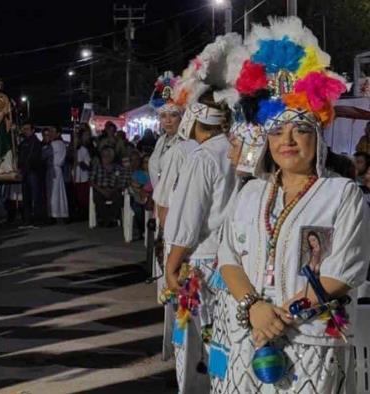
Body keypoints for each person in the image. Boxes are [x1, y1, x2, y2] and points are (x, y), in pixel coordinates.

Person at [215, 17, 369, 393]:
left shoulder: (343, 194)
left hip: (309, 339)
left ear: (318, 137)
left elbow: (344, 270)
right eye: (277, 132)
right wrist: (255, 308)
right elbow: (229, 257)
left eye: (300, 130)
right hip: (247, 334)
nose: (288, 140)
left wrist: (280, 316)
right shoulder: (250, 193)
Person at [162, 33, 241, 394]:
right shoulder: (237, 151)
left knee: (207, 338)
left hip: (205, 262)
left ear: (194, 117)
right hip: (235, 262)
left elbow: (189, 218)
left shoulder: (201, 157)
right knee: (226, 338)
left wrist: (171, 263)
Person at [147, 72, 182, 189]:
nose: (168, 120)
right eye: (163, 116)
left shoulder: (186, 143)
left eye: (173, 115)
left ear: (181, 117)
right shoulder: (161, 140)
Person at [90, 147, 129, 227]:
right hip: (100, 189)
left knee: (118, 198)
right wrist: (102, 190)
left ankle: (111, 219)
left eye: (107, 156)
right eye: (103, 156)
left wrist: (112, 190)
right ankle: (106, 219)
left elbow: (122, 182)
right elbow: (91, 181)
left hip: (114, 189)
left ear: (112, 157)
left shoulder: (118, 168)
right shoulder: (97, 167)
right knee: (98, 198)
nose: (105, 158)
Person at [18, 122, 44, 226]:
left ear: (32, 130)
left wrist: (25, 168)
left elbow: (32, 158)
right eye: (24, 129)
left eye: (27, 129)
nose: (25, 131)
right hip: (25, 172)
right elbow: (21, 157)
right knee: (26, 197)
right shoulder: (24, 142)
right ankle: (27, 219)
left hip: (32, 172)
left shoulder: (35, 142)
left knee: (35, 196)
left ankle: (37, 220)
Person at [44, 127, 69, 223]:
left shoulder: (54, 144)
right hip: (58, 170)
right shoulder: (62, 144)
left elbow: (44, 154)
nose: (50, 134)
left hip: (54, 170)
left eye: (52, 132)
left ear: (58, 133)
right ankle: (61, 213)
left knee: (54, 193)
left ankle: (54, 214)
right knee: (59, 193)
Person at [74, 127, 93, 219]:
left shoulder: (86, 149)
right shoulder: (79, 149)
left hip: (83, 176)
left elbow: (85, 164)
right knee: (81, 196)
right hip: (79, 176)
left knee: (84, 196)